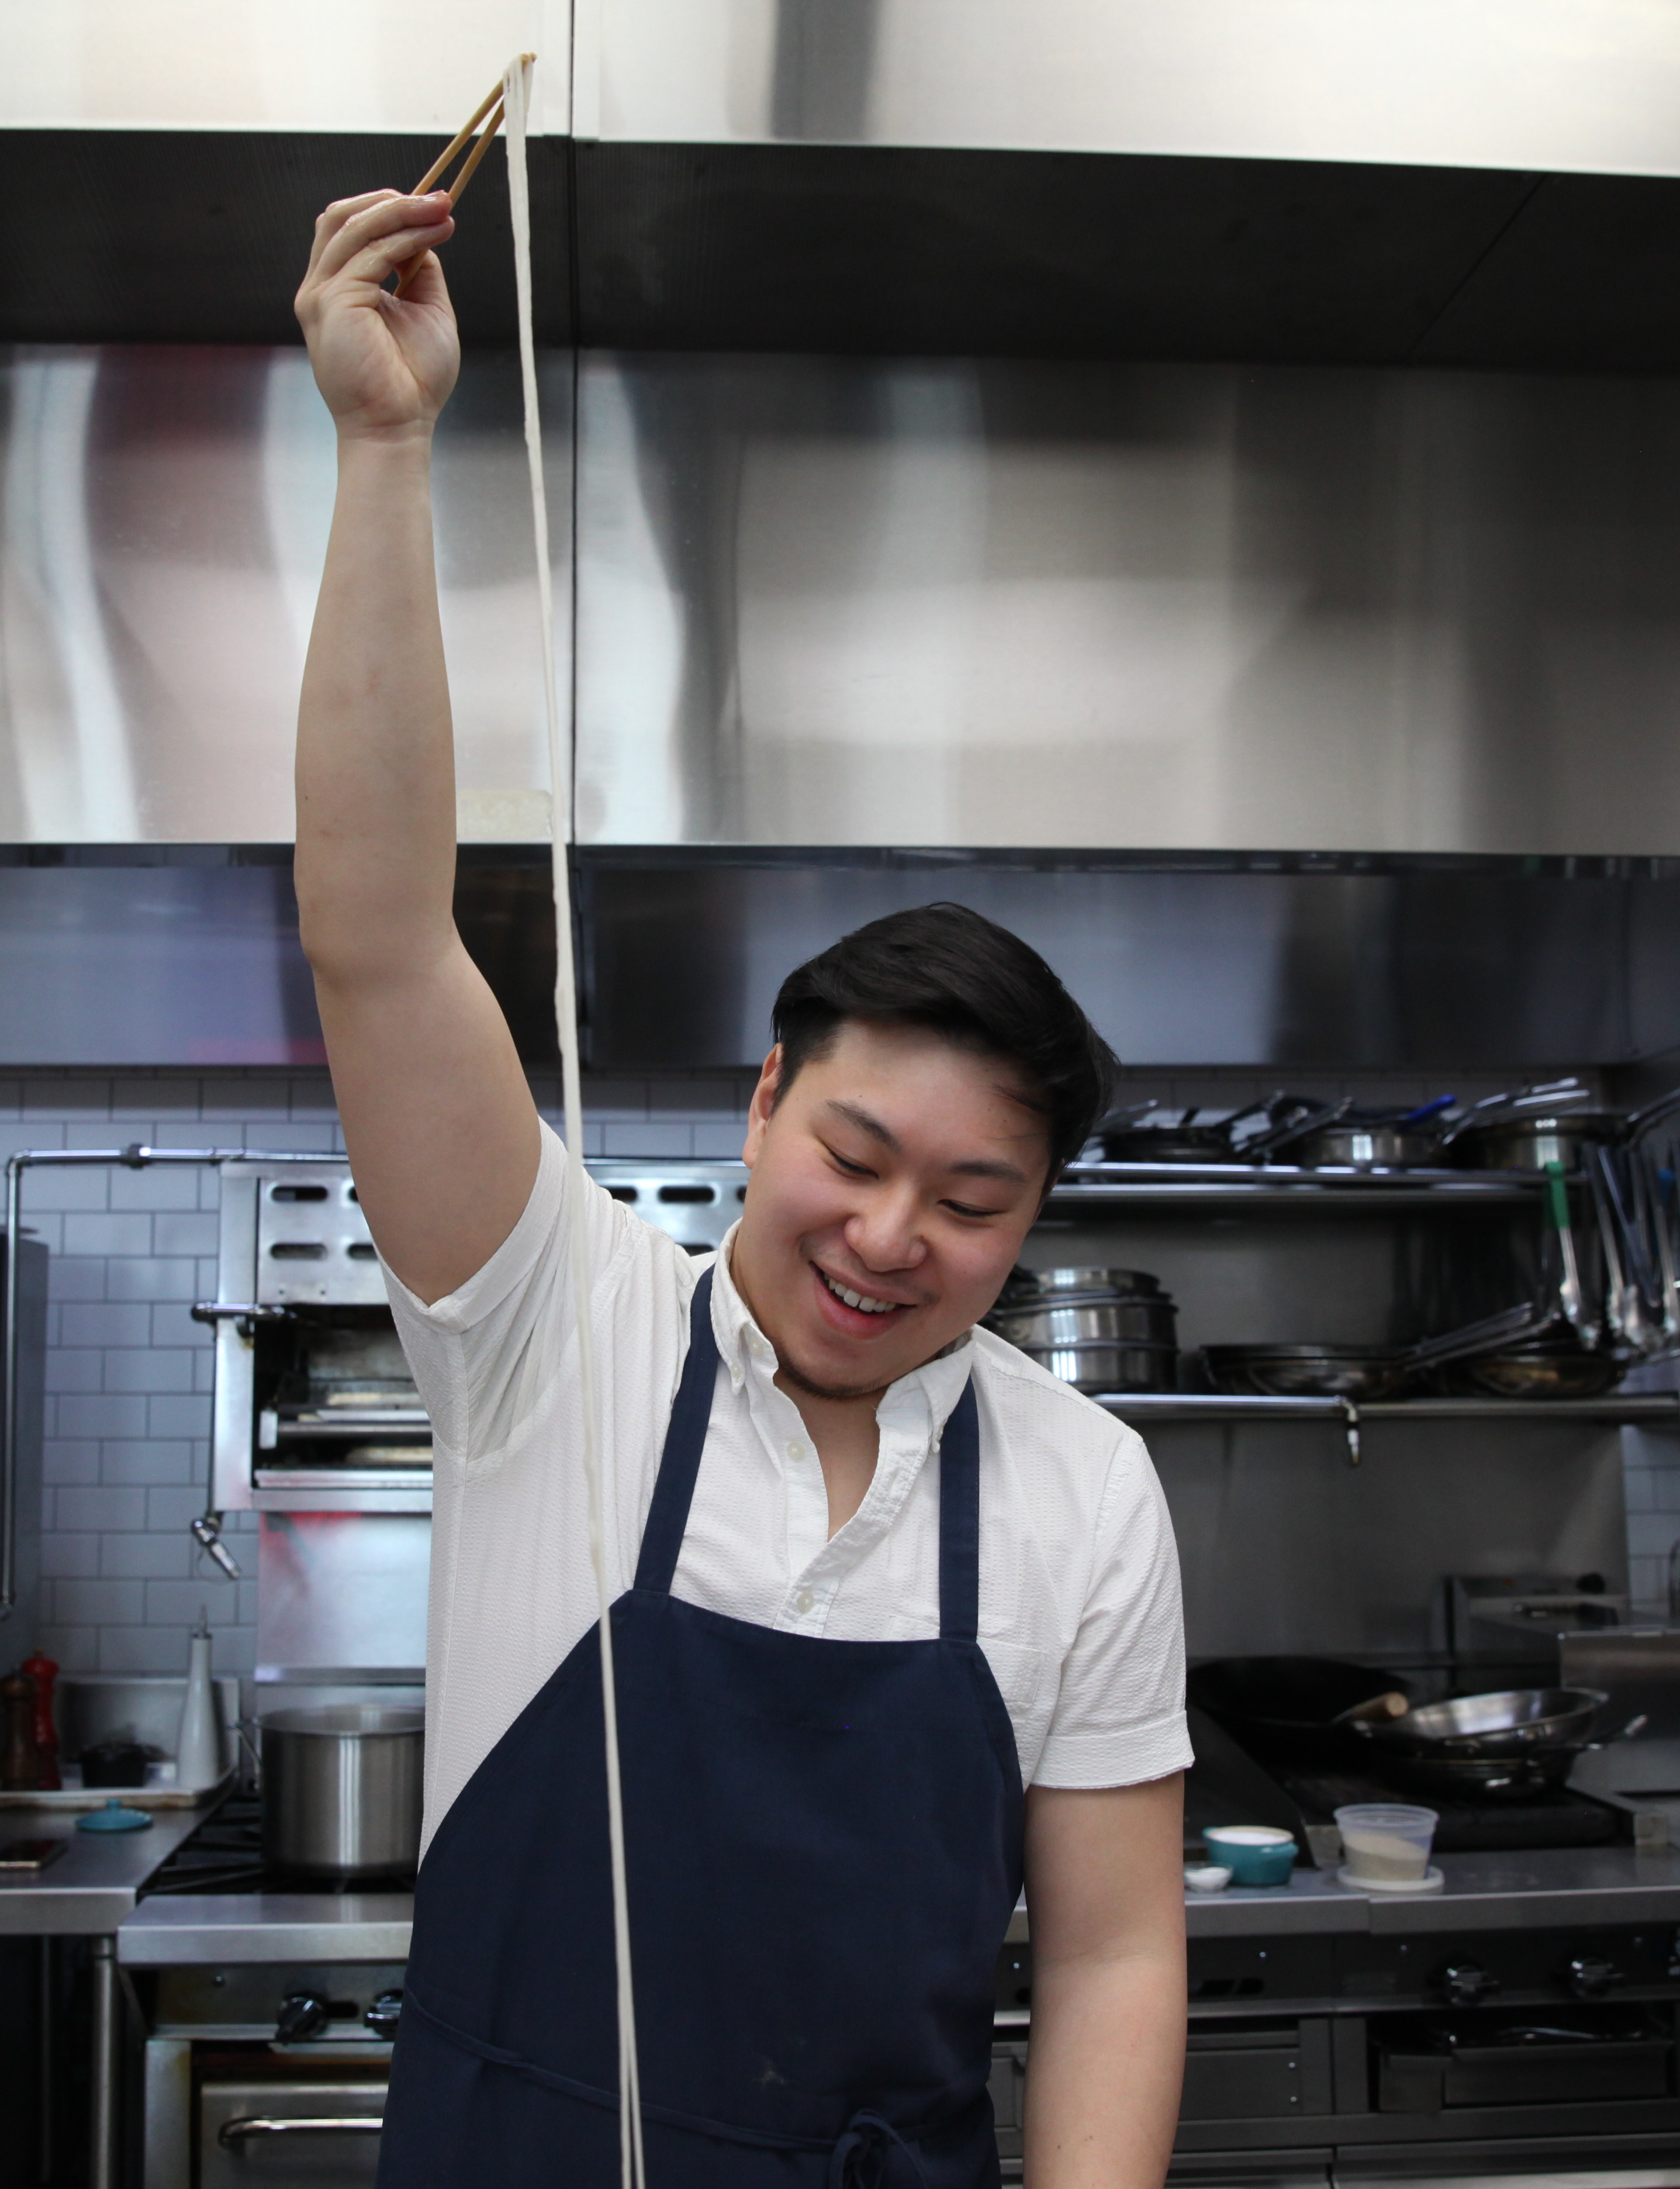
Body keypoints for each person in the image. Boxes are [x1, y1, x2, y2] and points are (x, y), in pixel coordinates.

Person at [292, 185, 1190, 2188]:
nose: (891, 1239)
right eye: (855, 1157)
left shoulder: (1081, 1489)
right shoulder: (555, 1327)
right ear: (767, 1100)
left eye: (973, 1199)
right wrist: (383, 447)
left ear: (1034, 1221)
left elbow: (1120, 1949)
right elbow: (375, 937)